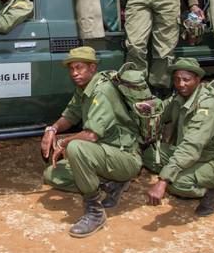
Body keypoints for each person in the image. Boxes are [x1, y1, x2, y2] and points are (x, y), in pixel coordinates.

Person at [41, 47, 142, 238]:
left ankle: (95, 212)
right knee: (52, 175)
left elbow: (91, 136)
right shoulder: (83, 88)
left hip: (125, 156)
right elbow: (71, 115)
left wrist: (63, 143)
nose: (74, 73)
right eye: (71, 69)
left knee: (76, 147)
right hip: (102, 154)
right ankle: (112, 184)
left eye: (79, 68)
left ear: (92, 68)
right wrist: (52, 129)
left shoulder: (101, 91)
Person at [142, 58, 214, 217]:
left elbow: (191, 147)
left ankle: (211, 190)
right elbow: (161, 112)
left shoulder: (206, 106)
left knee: (176, 183)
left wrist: (163, 180)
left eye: (186, 79)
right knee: (150, 155)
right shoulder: (180, 98)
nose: (181, 84)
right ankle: (191, 177)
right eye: (177, 79)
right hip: (191, 155)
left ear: (197, 80)